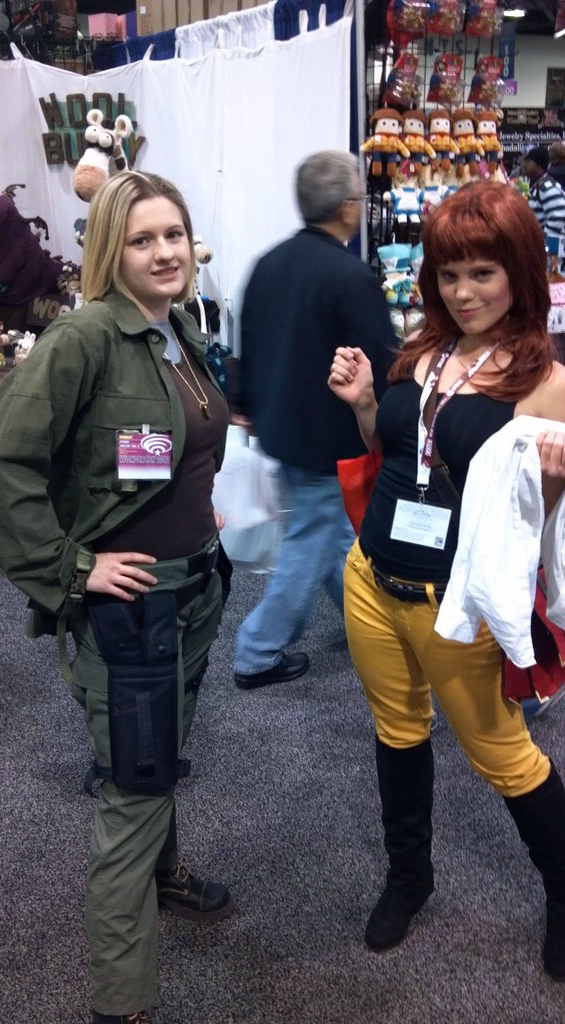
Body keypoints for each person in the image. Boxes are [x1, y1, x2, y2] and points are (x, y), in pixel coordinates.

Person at [0, 172, 234, 1024]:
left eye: (174, 234)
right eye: (142, 239)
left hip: (196, 589)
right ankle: (119, 1004)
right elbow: (5, 464)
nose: (165, 252)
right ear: (109, 250)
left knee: (162, 750)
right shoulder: (84, 337)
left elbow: (161, 447)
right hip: (133, 608)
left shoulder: (175, 329)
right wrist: (69, 568)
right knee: (135, 788)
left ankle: (165, 875)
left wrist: (198, 503)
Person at [328, 180, 565, 981]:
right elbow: (394, 450)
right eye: (449, 274)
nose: (464, 293)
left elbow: (538, 526)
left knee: (504, 756)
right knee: (397, 732)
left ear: (519, 274)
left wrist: (555, 480)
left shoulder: (544, 380)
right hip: (372, 578)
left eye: (482, 273)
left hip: (457, 604)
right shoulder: (424, 351)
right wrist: (366, 402)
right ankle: (409, 878)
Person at [233, 150, 396, 689]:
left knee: (333, 535)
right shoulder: (352, 276)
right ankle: (257, 651)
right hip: (330, 439)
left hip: (282, 429)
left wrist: (248, 407)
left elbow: (247, 345)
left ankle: (363, 620)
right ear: (349, 207)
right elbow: (378, 363)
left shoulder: (269, 263)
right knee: (312, 537)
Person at [523, 144, 565, 249]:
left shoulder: (546, 187)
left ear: (539, 166)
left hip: (551, 248)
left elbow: (559, 217)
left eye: (528, 162)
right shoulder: (537, 186)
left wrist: (546, 246)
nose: (524, 165)